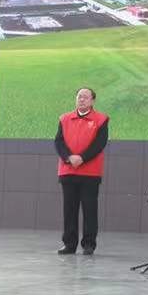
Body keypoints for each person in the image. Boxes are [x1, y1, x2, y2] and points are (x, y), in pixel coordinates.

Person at [54, 87, 109, 255]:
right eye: (79, 96)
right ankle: (69, 244)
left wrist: (82, 158)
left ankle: (89, 244)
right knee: (69, 209)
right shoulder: (64, 118)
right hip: (68, 170)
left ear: (92, 101)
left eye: (86, 97)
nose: (82, 99)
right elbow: (58, 142)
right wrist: (69, 157)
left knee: (89, 208)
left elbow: (100, 143)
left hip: (90, 172)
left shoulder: (101, 119)